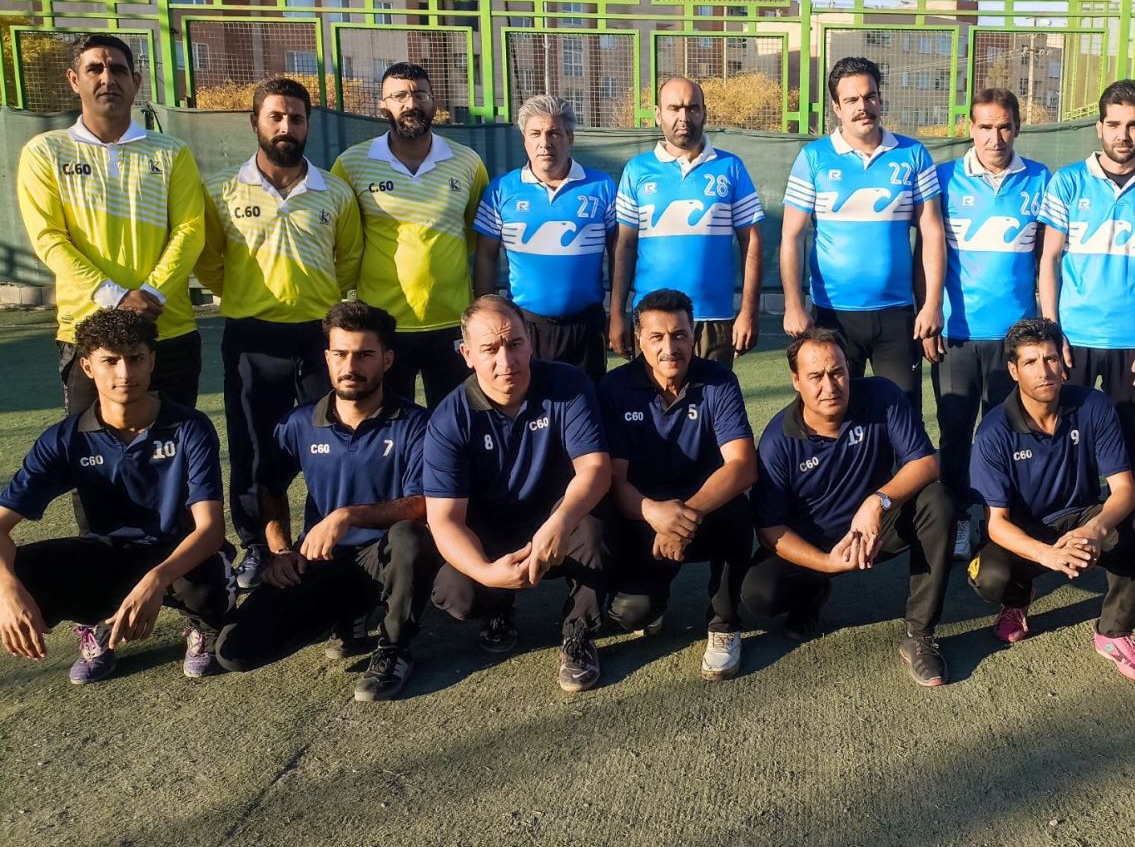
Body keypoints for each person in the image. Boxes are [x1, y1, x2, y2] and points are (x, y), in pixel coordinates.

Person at [214, 301, 439, 701]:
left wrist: (346, 516)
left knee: (409, 536)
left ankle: (394, 647)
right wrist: (280, 550)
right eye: (340, 354)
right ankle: (345, 612)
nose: (350, 366)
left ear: (387, 360)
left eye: (365, 355)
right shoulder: (299, 422)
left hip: (385, 557)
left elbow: (422, 504)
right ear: (327, 358)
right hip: (321, 558)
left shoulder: (415, 423)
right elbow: (270, 487)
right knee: (234, 650)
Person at [0, 310, 230, 684]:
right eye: (110, 360)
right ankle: (98, 623)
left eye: (135, 358)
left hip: (178, 553)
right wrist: (7, 590)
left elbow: (210, 529)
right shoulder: (65, 438)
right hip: (107, 552)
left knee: (207, 577)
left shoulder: (189, 426)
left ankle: (202, 628)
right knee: (19, 571)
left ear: (151, 360)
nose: (125, 373)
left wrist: (154, 580)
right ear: (87, 366)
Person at [196, 76, 362, 566]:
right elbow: (208, 260)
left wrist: (316, 299)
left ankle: (328, 543)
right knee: (251, 443)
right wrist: (242, 293)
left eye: (296, 118)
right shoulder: (222, 190)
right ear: (255, 123)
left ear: (308, 125)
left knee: (332, 439)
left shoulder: (334, 190)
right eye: (276, 116)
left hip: (319, 338)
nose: (286, 126)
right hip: (251, 338)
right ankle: (259, 548)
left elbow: (349, 260)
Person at [746, 328, 955, 687]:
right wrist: (826, 563)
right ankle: (814, 591)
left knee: (938, 501)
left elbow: (925, 462)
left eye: (837, 372)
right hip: (816, 541)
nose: (830, 386)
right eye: (816, 376)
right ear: (796, 381)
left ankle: (920, 635)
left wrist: (878, 501)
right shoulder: (778, 441)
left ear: (849, 369)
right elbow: (769, 530)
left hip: (876, 529)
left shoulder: (882, 396)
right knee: (758, 594)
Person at [424, 295, 612, 693]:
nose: (506, 361)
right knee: (456, 593)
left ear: (530, 341)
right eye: (489, 349)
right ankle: (498, 608)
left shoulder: (568, 384)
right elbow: (444, 520)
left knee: (594, 524)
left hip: (557, 517)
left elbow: (595, 469)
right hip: (491, 529)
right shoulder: (448, 418)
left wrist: (560, 522)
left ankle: (579, 631)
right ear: (467, 355)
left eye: (514, 344)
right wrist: (486, 573)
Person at [17, 33, 206, 412]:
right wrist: (116, 297)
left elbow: (190, 230)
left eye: (118, 70)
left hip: (167, 328)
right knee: (92, 446)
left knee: (174, 442)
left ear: (135, 81)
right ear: (74, 80)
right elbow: (49, 238)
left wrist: (151, 295)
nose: (108, 78)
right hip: (87, 331)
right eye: (95, 69)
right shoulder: (46, 151)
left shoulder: (171, 152)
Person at [966, 318, 1135, 681]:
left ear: (1063, 362)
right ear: (1013, 370)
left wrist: (1095, 529)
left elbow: (1124, 489)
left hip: (1082, 517)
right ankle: (1017, 598)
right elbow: (997, 523)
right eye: (1030, 362)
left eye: (1051, 359)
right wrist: (1047, 555)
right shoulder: (993, 432)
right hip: (1026, 529)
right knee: (990, 577)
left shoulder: (1094, 405)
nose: (1044, 371)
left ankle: (1113, 632)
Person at [599, 289, 757, 681]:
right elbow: (614, 479)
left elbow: (743, 466)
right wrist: (654, 514)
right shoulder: (615, 388)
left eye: (680, 335)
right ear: (639, 339)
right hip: (644, 519)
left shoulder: (719, 381)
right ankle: (654, 598)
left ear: (693, 335)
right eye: (657, 337)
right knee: (630, 613)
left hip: (702, 513)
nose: (670, 348)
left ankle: (724, 623)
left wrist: (686, 517)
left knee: (737, 509)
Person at [1039, 78, 1135, 474]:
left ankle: (1123, 513)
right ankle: (1073, 511)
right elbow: (1049, 258)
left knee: (1126, 442)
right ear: (1099, 127)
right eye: (1114, 124)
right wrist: (1053, 331)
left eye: (1133, 125)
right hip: (1074, 336)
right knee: (1067, 439)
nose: (1123, 135)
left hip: (1134, 340)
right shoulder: (1068, 181)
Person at [926, 88, 1049, 560]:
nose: (994, 137)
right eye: (985, 127)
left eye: (1003, 127)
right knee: (956, 432)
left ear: (1017, 128)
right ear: (970, 128)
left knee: (1008, 433)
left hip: (1015, 340)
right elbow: (925, 254)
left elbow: (1047, 258)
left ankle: (1003, 521)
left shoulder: (1040, 179)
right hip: (956, 334)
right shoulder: (942, 178)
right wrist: (928, 311)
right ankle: (959, 517)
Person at [780, 57, 944, 398]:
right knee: (832, 413)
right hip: (833, 316)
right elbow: (792, 236)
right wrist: (793, 304)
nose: (862, 107)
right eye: (851, 100)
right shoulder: (813, 157)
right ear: (836, 108)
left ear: (880, 99)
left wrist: (931, 304)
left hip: (897, 314)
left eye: (869, 96)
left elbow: (931, 233)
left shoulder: (913, 154)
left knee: (902, 414)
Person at [331, 63, 488, 406]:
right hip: (382, 323)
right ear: (382, 106)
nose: (411, 103)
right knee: (384, 421)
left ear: (434, 103)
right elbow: (341, 237)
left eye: (420, 94)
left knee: (456, 422)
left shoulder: (467, 162)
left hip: (451, 320)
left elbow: (475, 234)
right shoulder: (351, 163)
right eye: (399, 95)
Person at [608, 77, 765, 366]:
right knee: (652, 396)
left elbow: (752, 241)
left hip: (713, 319)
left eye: (692, 108)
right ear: (658, 114)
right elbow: (624, 245)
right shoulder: (637, 170)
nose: (684, 116)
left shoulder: (730, 167)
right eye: (674, 108)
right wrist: (617, 313)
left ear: (704, 113)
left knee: (713, 395)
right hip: (652, 321)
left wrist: (748, 310)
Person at [473, 95, 617, 383]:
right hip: (525, 327)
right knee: (528, 404)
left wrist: (617, 311)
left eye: (554, 133)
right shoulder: (501, 190)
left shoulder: (602, 186)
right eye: (535, 133)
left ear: (570, 138)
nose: (545, 142)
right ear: (524, 140)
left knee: (587, 403)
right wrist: (485, 315)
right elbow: (486, 256)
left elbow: (618, 251)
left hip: (586, 326)